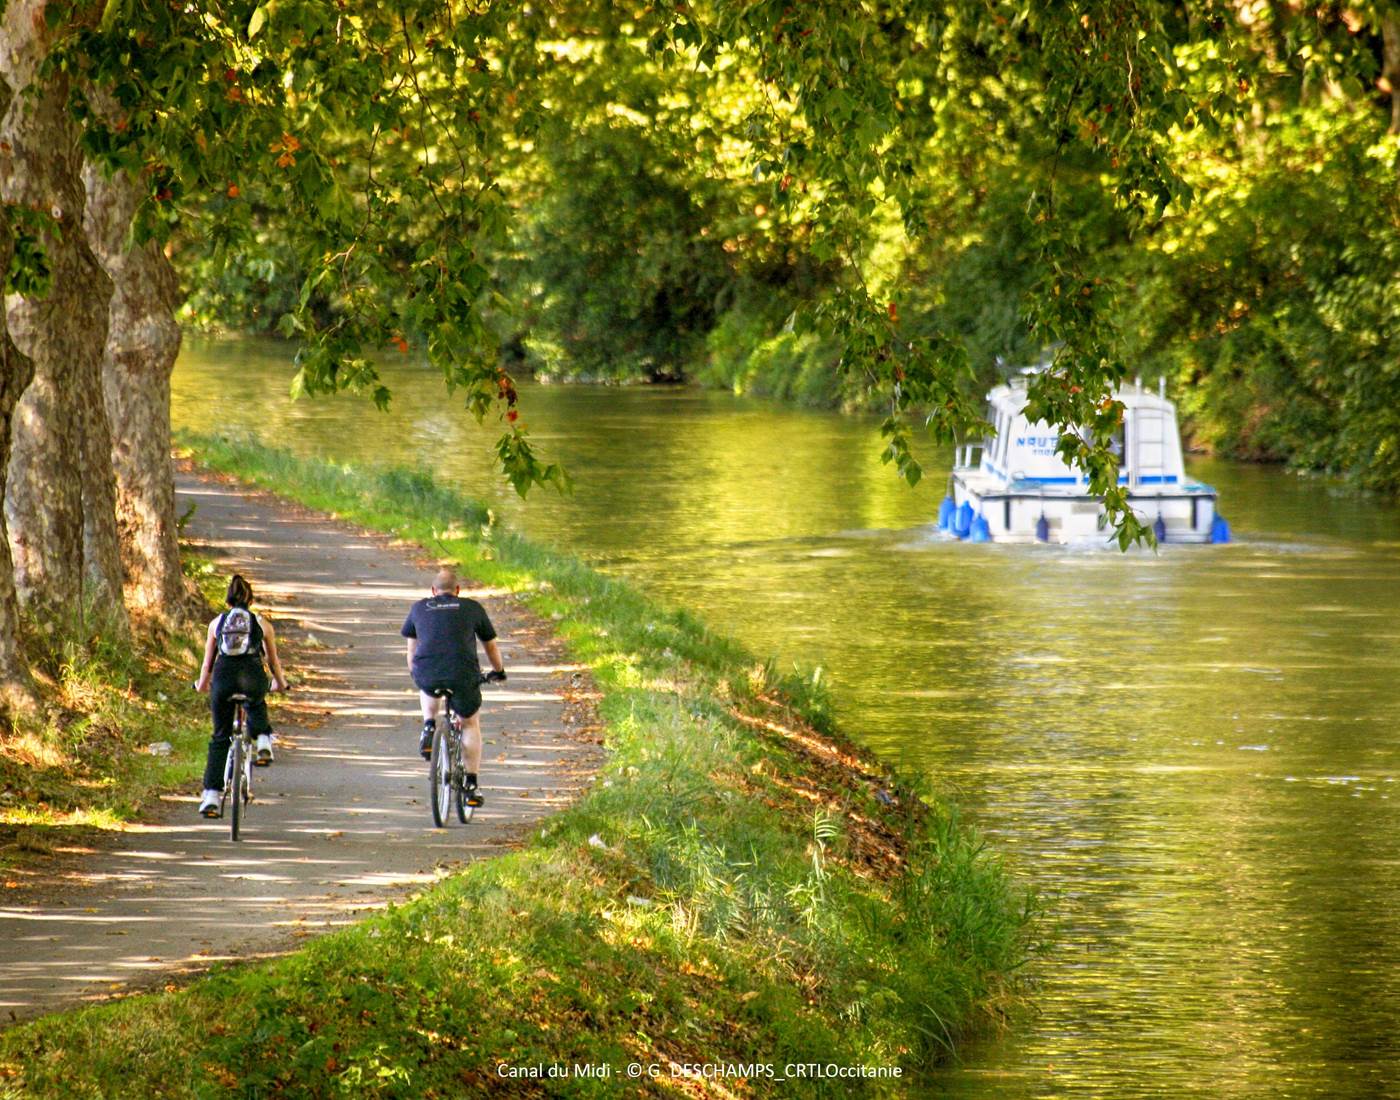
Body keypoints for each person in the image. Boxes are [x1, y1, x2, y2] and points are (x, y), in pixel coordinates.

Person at [401, 567, 505, 809]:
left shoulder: (419, 608)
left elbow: (411, 650)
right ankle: (471, 783)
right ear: (458, 591)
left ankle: (429, 725)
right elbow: (490, 646)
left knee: (426, 682)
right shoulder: (472, 607)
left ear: (433, 591)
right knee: (469, 723)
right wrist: (498, 671)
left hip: (428, 671)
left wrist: (416, 674)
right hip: (463, 673)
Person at [194, 574, 289, 817]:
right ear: (250, 598)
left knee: (219, 738)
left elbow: (207, 664)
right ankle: (264, 741)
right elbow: (272, 661)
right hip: (252, 676)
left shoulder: (217, 623)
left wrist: (202, 685)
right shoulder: (262, 623)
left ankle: (211, 797)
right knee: (256, 699)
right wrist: (280, 683)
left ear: (228, 599)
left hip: (223, 679)